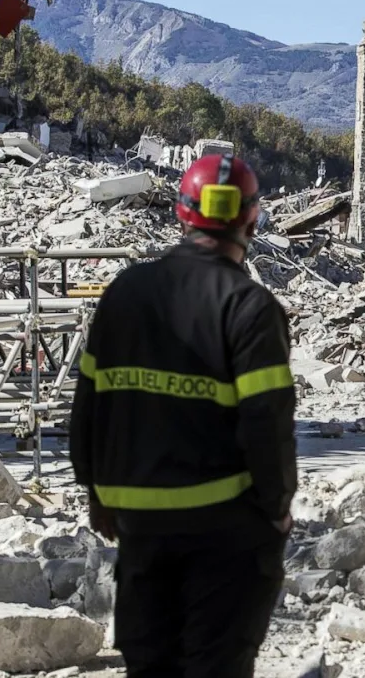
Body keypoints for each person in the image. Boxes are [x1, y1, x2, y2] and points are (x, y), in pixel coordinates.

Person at [69, 154, 297, 677]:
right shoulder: (250, 307)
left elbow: (89, 403)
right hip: (227, 530)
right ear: (252, 219)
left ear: (181, 213)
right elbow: (267, 424)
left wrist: (95, 492)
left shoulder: (124, 293)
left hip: (142, 531)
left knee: (150, 666)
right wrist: (278, 506)